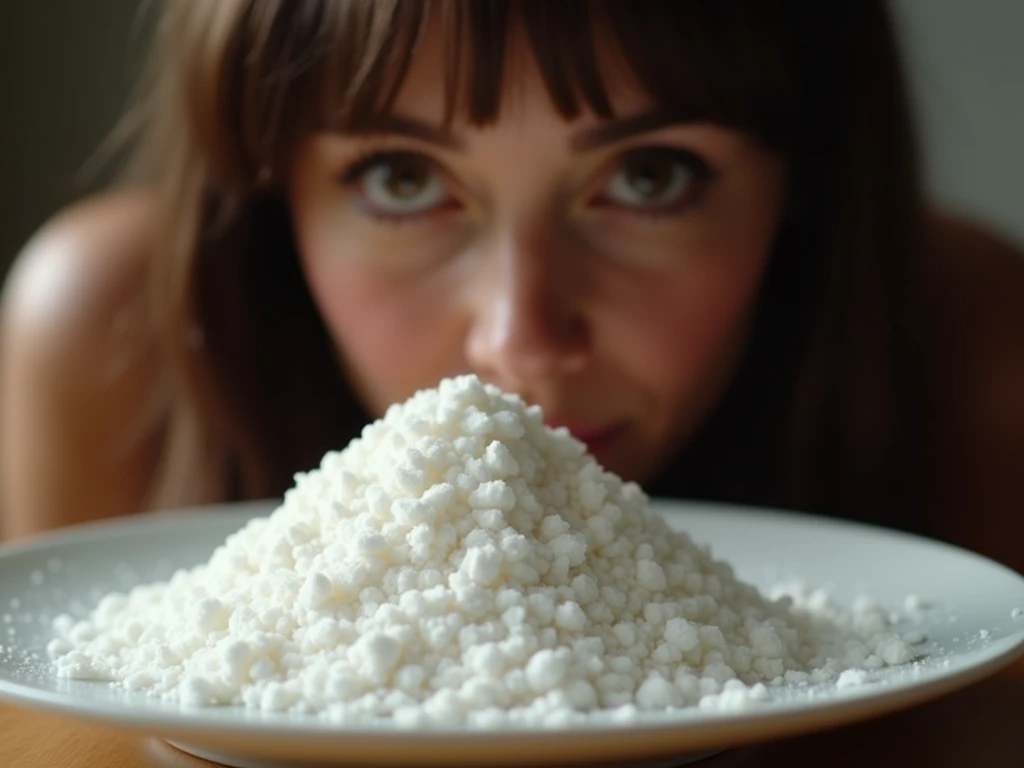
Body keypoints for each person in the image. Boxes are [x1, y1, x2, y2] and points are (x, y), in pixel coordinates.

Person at [2, 0, 1022, 573]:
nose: (520, 341)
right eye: (402, 181)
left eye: (647, 178)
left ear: (805, 179)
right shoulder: (106, 334)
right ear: (274, 192)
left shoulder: (964, 341)